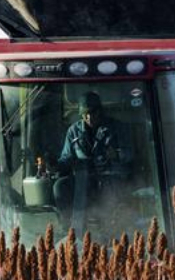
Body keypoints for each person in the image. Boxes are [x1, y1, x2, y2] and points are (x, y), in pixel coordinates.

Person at [53, 92, 130, 223]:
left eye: (93, 112)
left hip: (110, 177)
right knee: (60, 186)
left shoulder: (116, 127)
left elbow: (130, 154)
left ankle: (111, 226)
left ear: (100, 111)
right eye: (85, 114)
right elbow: (66, 158)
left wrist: (117, 154)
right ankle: (67, 225)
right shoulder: (73, 131)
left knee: (112, 192)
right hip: (82, 179)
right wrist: (54, 165)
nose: (89, 117)